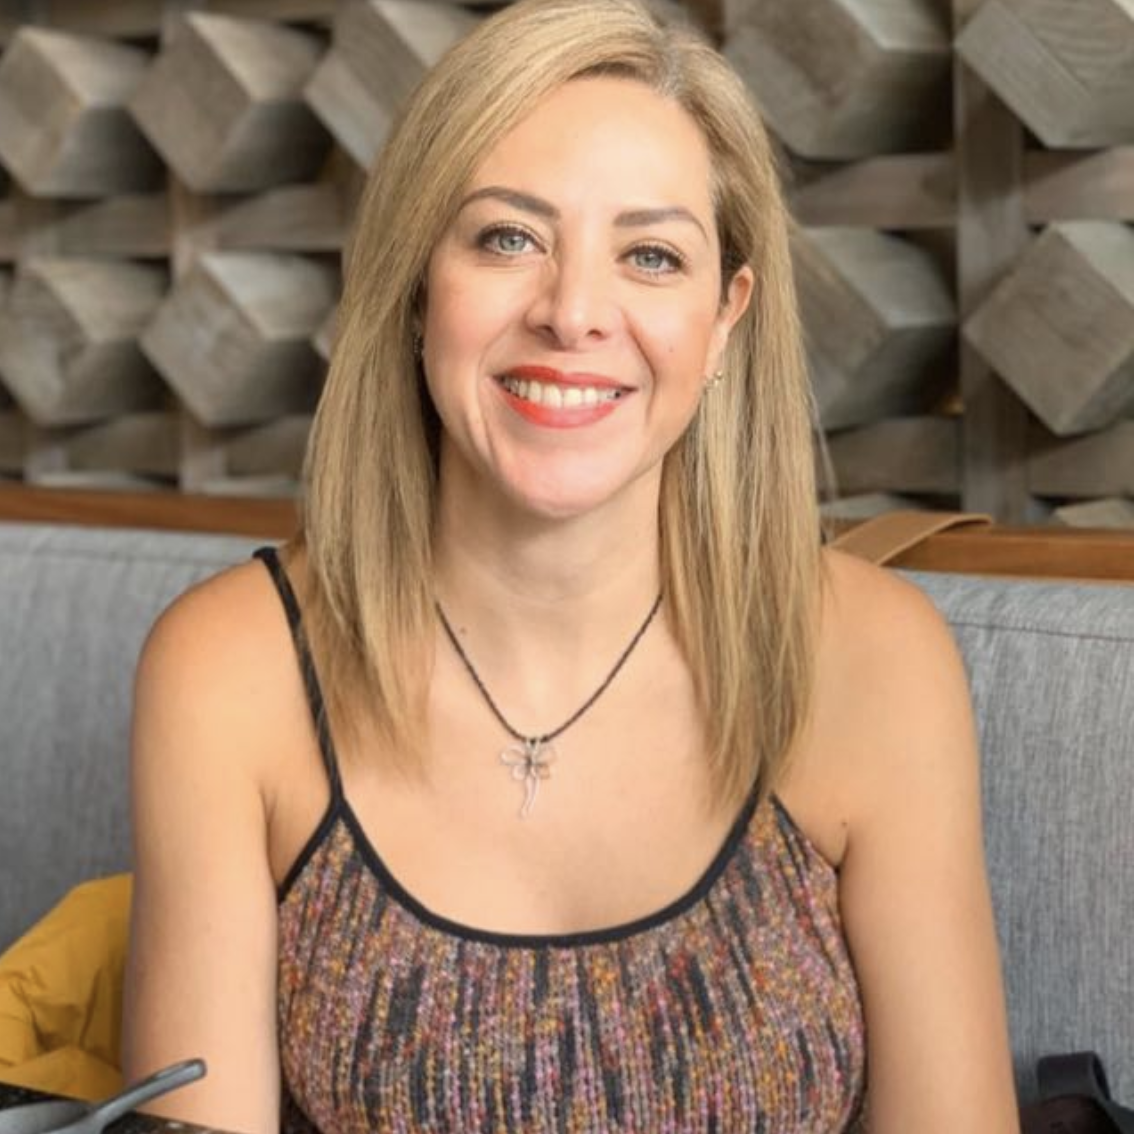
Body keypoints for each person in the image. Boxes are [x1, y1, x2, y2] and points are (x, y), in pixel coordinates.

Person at [121, 1, 1020, 1130]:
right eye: (508, 238)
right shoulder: (230, 671)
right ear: (416, 287)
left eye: (651, 255)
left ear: (725, 319)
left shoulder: (876, 661)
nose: (575, 313)